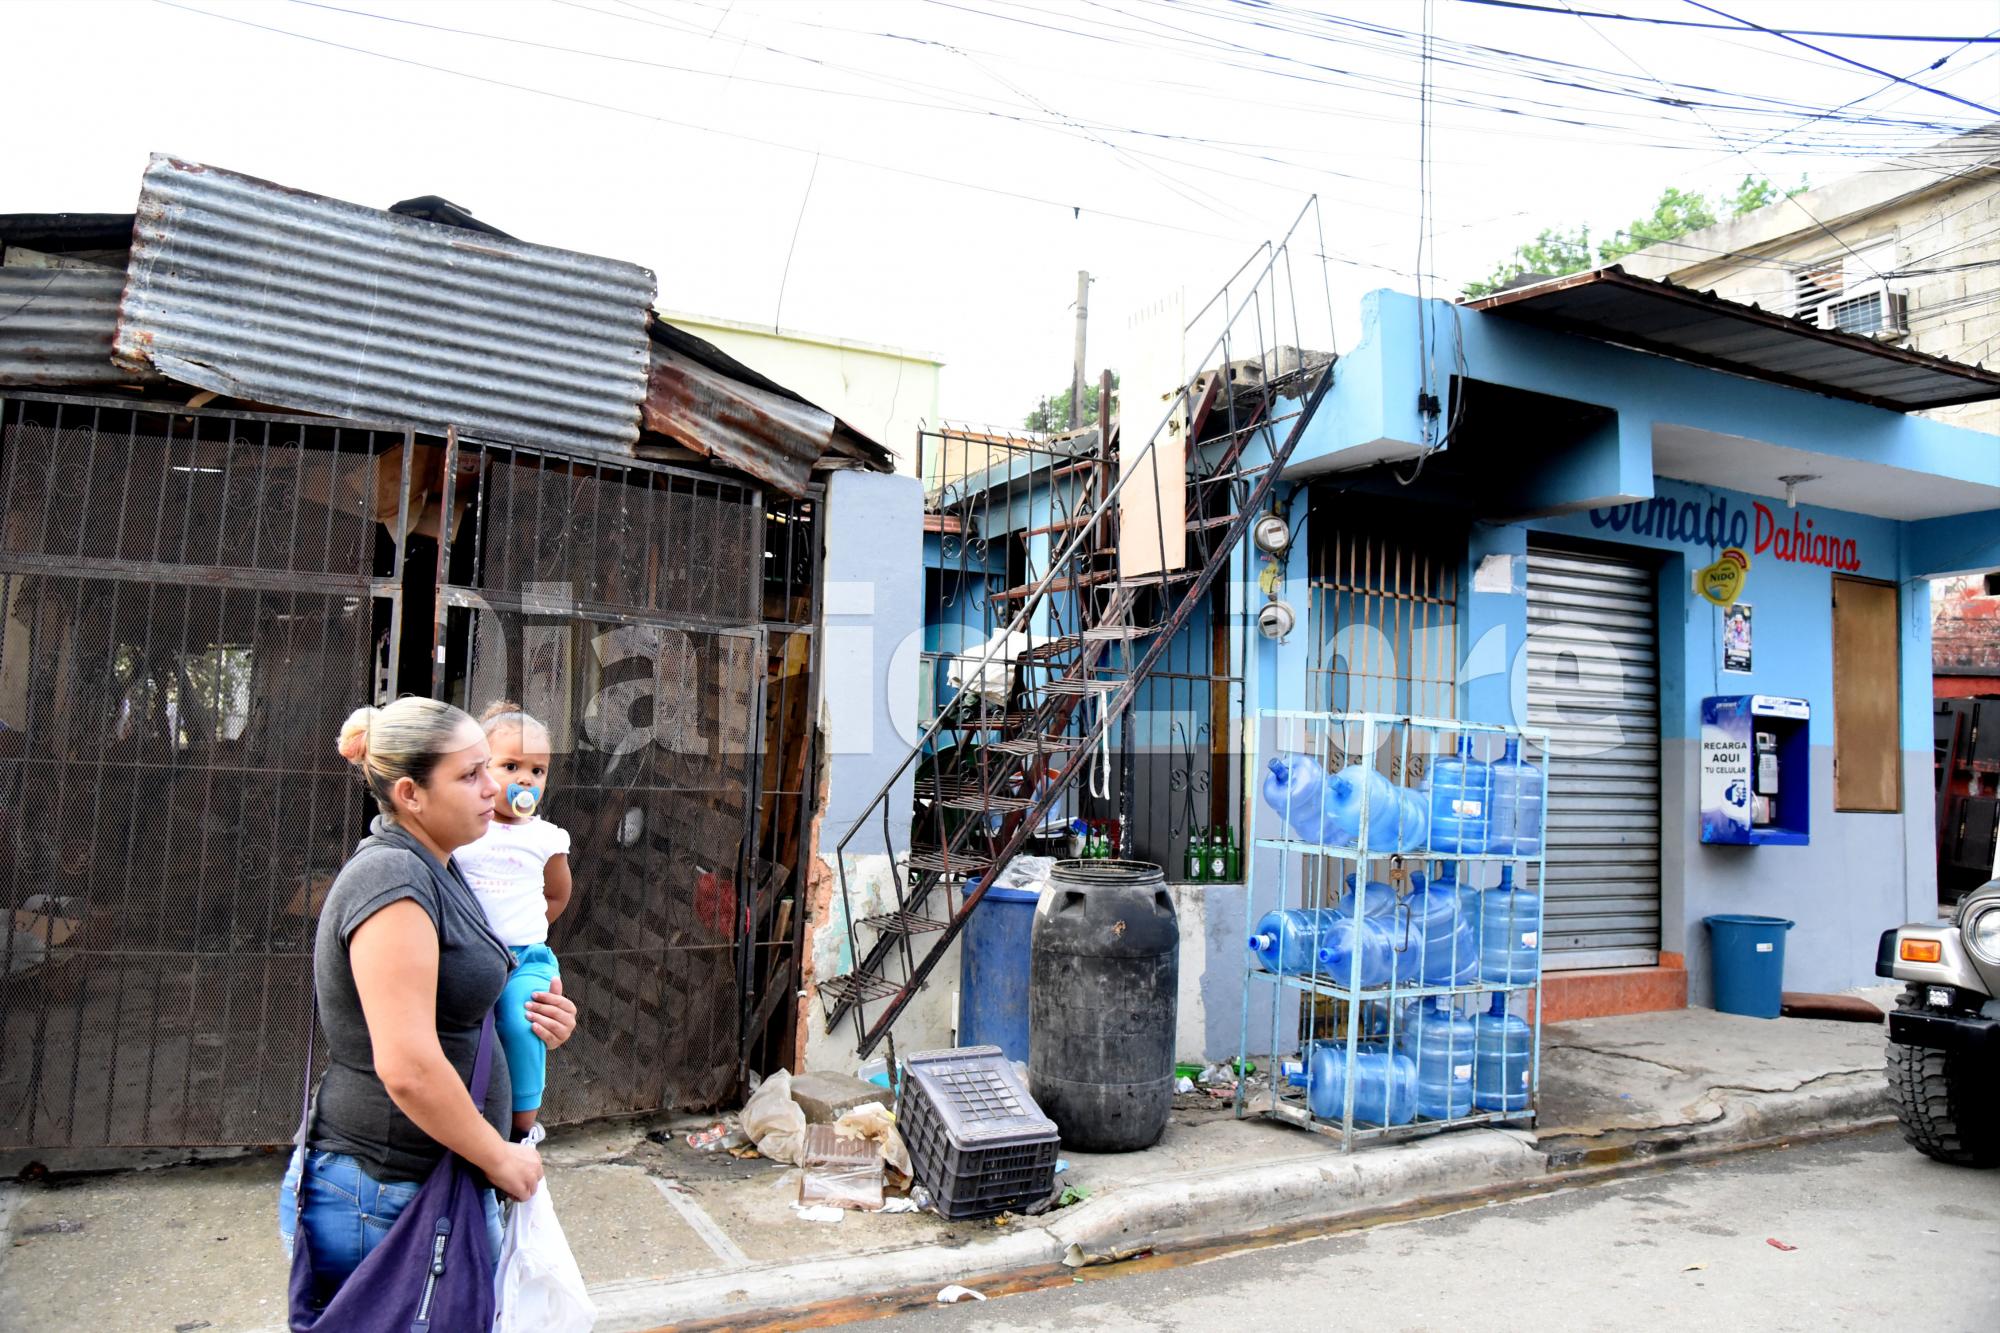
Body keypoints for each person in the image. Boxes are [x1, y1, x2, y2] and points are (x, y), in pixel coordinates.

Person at [279, 696, 579, 1312]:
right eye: (471, 775)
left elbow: (465, 1004)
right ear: (412, 794)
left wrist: (542, 1018)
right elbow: (409, 1065)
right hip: (384, 1194)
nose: (493, 786)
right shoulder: (392, 882)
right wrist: (500, 1156)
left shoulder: (442, 867)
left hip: (429, 1185)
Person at [455, 701, 574, 1139]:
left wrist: (526, 927)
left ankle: (523, 1122)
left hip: (525, 958)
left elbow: (558, 893)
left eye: (537, 771)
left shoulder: (545, 836)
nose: (526, 779)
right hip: (467, 956)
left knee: (523, 1024)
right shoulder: (466, 829)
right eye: (511, 766)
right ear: (480, 770)